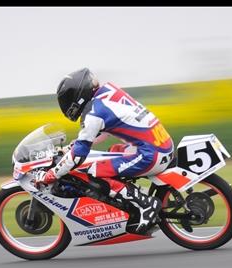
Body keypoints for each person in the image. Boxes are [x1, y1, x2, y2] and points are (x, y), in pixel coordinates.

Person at [35, 68, 175, 234]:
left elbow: (79, 156)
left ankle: (146, 204)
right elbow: (104, 130)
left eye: (67, 99)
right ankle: (131, 200)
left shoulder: (94, 113)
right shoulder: (108, 92)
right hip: (161, 144)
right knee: (112, 152)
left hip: (151, 154)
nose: (67, 105)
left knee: (94, 171)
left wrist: (52, 174)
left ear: (77, 95)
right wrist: (76, 144)